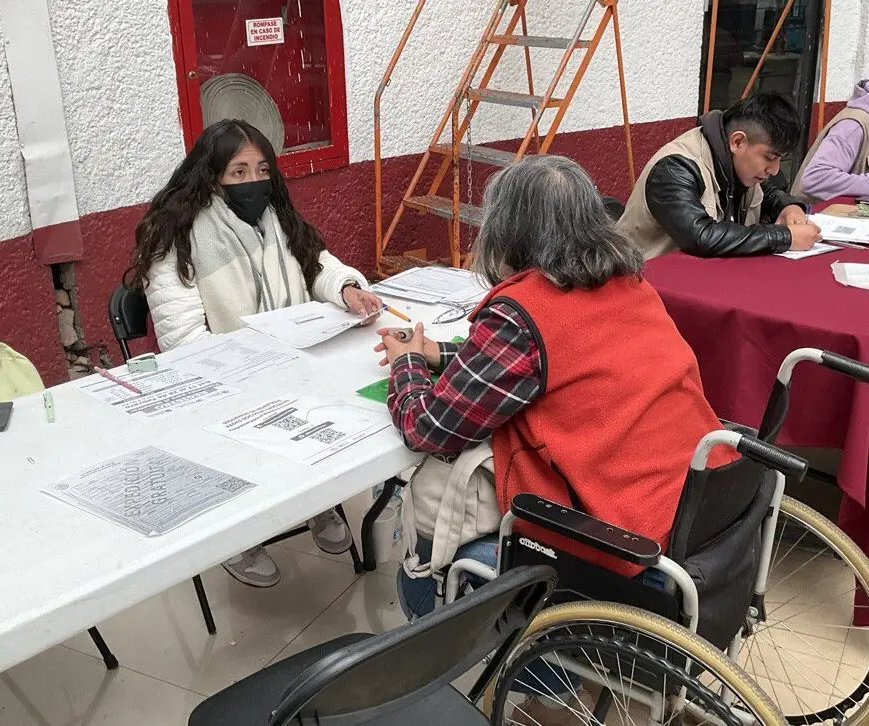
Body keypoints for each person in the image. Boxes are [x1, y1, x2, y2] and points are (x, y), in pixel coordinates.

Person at [377, 154, 738, 724]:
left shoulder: (523, 311)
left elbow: (429, 427)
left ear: (507, 230)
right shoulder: (629, 284)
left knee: (434, 557)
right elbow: (554, 363)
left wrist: (406, 365)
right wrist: (440, 353)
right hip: (702, 503)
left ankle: (552, 685)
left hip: (624, 544)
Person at [124, 119, 384, 588]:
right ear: (211, 177)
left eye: (262, 170)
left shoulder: (275, 217)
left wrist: (347, 289)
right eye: (238, 172)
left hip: (289, 364)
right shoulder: (177, 238)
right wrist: (260, 365)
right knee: (279, 409)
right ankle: (237, 536)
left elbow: (317, 264)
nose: (253, 182)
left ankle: (318, 498)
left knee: (334, 393)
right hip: (219, 383)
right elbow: (183, 341)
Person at [617, 91, 821, 259]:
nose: (775, 170)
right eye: (769, 157)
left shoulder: (736, 164)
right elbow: (701, 237)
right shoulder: (674, 169)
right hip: (648, 284)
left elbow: (765, 192)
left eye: (780, 159)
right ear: (737, 142)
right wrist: (784, 237)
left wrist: (789, 207)